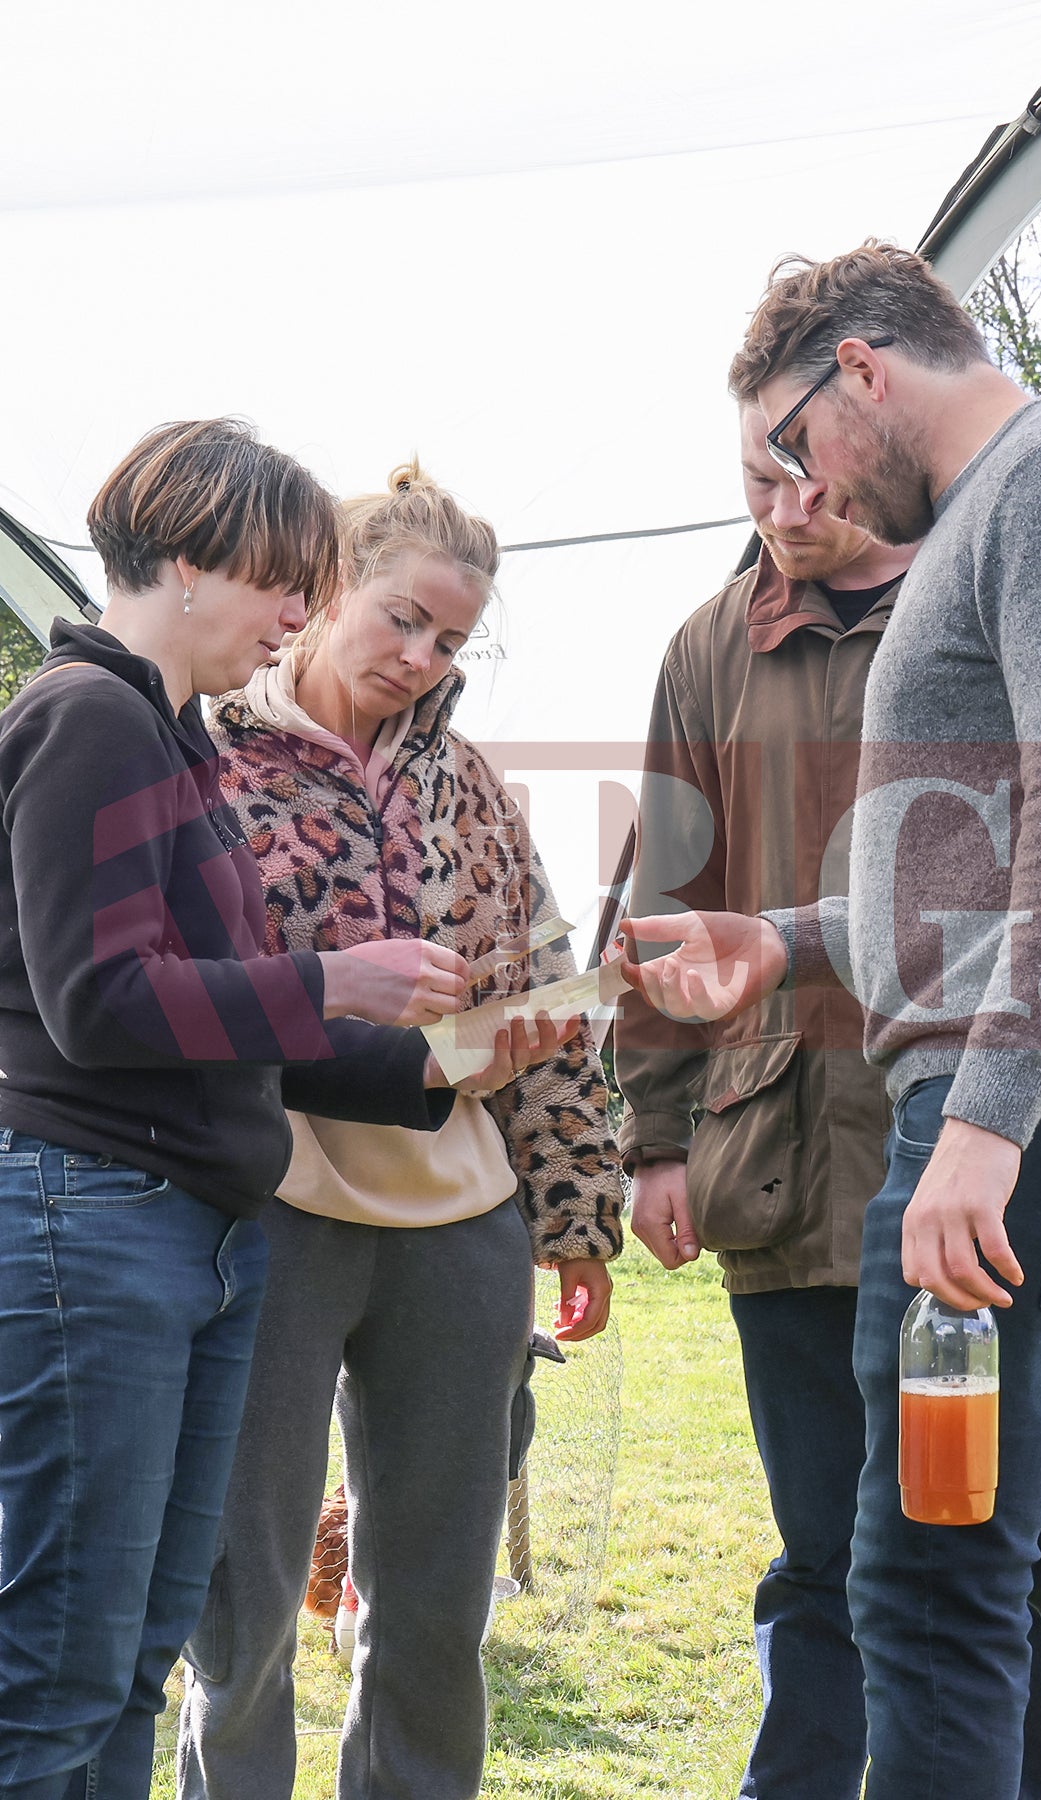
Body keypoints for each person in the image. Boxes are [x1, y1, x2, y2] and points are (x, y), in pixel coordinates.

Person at [625, 244, 1041, 1800]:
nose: (799, 488)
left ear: (861, 372)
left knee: (929, 1595)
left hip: (1026, 1125)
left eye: (793, 442)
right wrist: (788, 938)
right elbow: (984, 863)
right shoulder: (1000, 510)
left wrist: (988, 1122)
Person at [0, 419, 568, 1800]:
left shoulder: (158, 738)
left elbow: (214, 1030)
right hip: (100, 1223)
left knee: (125, 1652)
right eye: (282, 586)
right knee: (78, 1664)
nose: (293, 619)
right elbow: (101, 1005)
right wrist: (339, 976)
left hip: (177, 1225)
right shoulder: (88, 720)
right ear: (192, 560)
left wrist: (436, 1065)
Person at [176, 461, 623, 1800]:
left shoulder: (477, 788)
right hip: (268, 1215)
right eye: (403, 618)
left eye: (450, 639)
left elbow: (549, 992)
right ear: (319, 597)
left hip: (461, 1227)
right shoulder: (196, 757)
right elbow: (174, 1000)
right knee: (241, 1602)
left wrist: (579, 1211)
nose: (423, 658)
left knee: (433, 1610)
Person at [616, 397, 912, 1798]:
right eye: (757, 481)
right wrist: (653, 1137)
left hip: (975, 1153)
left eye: (810, 479)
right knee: (829, 1545)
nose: (787, 512)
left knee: (1016, 1546)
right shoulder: (704, 649)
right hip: (778, 1154)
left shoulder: (976, 590)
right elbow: (663, 897)